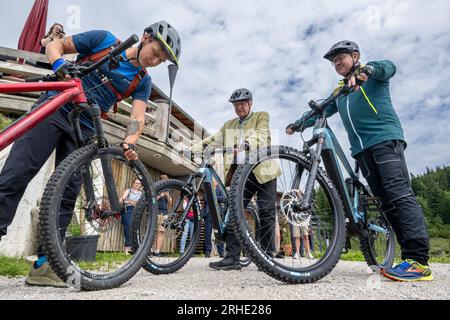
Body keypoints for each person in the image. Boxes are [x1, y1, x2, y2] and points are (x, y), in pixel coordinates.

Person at [0, 21, 181, 287]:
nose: (155, 60)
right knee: (16, 175)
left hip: (84, 131)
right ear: (145, 37)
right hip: (54, 108)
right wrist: (59, 64)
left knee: (65, 197)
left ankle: (44, 266)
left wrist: (130, 142)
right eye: (156, 52)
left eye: (161, 60)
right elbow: (56, 45)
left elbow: (137, 118)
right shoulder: (104, 40)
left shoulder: (142, 81)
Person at [287, 40, 432, 282]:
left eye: (340, 58)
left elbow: (389, 66)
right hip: (361, 152)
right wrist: (299, 123)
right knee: (386, 202)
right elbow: (321, 109)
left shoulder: (370, 75)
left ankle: (419, 261)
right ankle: (407, 259)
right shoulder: (341, 92)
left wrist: (367, 71)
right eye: (333, 62)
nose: (336, 63)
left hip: (385, 140)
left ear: (355, 56)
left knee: (398, 194)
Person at [192, 88, 282, 271]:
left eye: (242, 103)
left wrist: (246, 144)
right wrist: (192, 148)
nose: (239, 107)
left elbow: (262, 135)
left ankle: (267, 256)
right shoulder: (229, 125)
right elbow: (214, 140)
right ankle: (232, 258)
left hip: (264, 171)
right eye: (236, 105)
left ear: (250, 104)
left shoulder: (261, 117)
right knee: (234, 211)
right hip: (242, 174)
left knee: (266, 212)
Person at [202, 179, 226, 258]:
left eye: (213, 181)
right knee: (207, 233)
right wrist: (214, 197)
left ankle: (221, 252)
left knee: (219, 232)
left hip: (217, 213)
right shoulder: (207, 189)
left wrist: (213, 196)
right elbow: (205, 198)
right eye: (211, 181)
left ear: (216, 182)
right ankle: (208, 252)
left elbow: (223, 198)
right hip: (208, 214)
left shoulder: (220, 189)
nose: (212, 182)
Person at [120, 179, 142, 254]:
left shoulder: (141, 194)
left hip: (136, 212)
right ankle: (127, 249)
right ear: (133, 183)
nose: (137, 185)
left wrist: (130, 201)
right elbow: (122, 200)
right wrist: (130, 202)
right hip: (127, 210)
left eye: (139, 184)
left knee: (134, 229)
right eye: (136, 183)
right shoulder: (128, 190)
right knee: (128, 228)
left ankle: (134, 249)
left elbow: (140, 204)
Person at [154, 174, 172, 257]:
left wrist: (167, 196)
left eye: (166, 180)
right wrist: (160, 195)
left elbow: (170, 203)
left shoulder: (168, 189)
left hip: (164, 213)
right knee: (153, 232)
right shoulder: (156, 188)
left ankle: (157, 251)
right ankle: (149, 250)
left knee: (161, 231)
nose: (165, 181)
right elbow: (152, 200)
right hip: (156, 212)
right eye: (163, 180)